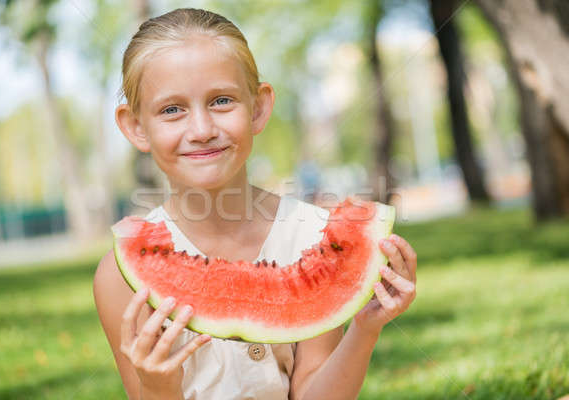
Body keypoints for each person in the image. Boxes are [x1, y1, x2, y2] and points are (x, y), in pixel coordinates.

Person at [93, 8, 417, 400]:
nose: (201, 130)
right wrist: (157, 386)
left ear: (259, 108)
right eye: (172, 110)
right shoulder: (119, 277)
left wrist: (364, 330)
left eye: (221, 101)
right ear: (136, 127)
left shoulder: (313, 237)